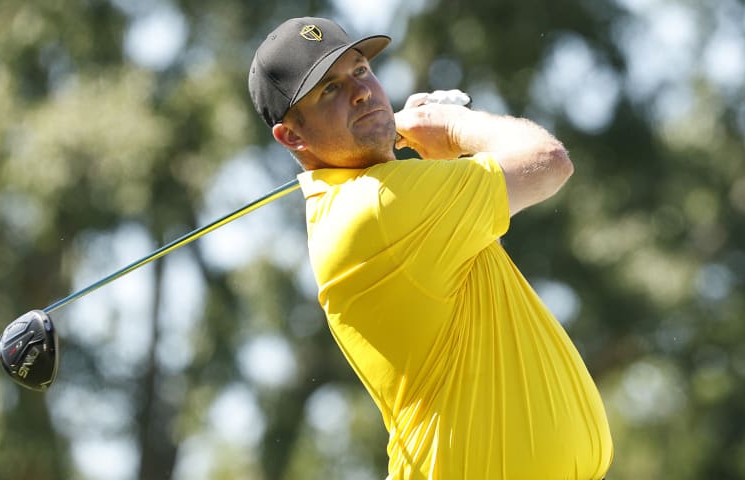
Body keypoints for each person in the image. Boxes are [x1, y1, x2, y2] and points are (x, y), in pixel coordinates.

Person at [248, 17, 613, 479]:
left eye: (360, 71)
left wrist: (437, 153)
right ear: (292, 136)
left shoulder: (391, 202)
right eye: (328, 90)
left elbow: (475, 279)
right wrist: (454, 124)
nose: (360, 92)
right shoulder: (377, 207)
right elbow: (548, 162)